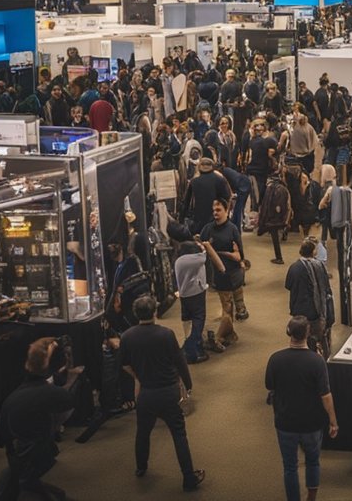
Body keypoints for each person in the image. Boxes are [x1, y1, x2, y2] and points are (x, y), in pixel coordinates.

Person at [120, 295, 205, 491]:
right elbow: (179, 361)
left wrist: (138, 377)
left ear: (135, 314)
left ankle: (141, 468)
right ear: (155, 312)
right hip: (168, 392)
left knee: (142, 432)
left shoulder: (127, 336)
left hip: (145, 394)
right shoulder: (166, 334)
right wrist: (188, 384)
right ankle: (188, 478)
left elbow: (123, 364)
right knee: (179, 434)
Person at [0, 338, 83, 501]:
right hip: (33, 456)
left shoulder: (14, 397)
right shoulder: (55, 395)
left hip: (17, 452)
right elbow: (68, 404)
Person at [265, 316, 339, 501]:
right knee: (313, 462)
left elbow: (270, 387)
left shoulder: (275, 359)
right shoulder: (317, 361)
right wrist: (333, 421)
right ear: (308, 334)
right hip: (311, 423)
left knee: (289, 466)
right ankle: (311, 498)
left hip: (285, 422)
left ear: (288, 332)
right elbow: (325, 395)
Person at [200, 198, 245, 347]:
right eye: (214, 210)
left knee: (228, 307)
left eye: (219, 210)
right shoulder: (207, 229)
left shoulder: (232, 229)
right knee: (227, 307)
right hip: (218, 276)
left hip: (232, 274)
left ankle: (221, 337)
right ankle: (230, 334)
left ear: (227, 211)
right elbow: (200, 248)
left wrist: (233, 256)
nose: (215, 213)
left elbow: (240, 255)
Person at [174, 237, 225, 363]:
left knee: (188, 320)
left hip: (184, 294)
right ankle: (189, 351)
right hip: (196, 294)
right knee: (198, 321)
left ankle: (191, 345)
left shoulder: (178, 262)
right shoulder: (193, 260)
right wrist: (205, 245)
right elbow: (204, 255)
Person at [285, 238, 332, 356]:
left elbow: (288, 285)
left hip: (299, 309)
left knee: (301, 337)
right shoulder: (320, 266)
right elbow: (326, 286)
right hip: (316, 310)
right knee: (318, 337)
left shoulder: (294, 267)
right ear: (313, 251)